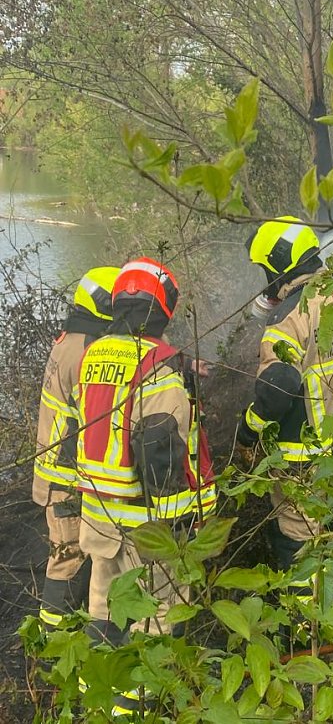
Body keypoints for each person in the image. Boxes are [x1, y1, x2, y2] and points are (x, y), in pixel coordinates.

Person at [76, 257, 217, 653]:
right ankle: (146, 691)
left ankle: (97, 686)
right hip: (147, 523)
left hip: (100, 511)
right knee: (158, 616)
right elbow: (158, 450)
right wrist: (175, 527)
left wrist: (179, 363)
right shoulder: (159, 369)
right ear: (164, 308)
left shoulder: (95, 353)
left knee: (105, 608)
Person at [238, 216, 333, 575]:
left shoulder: (289, 318)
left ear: (278, 266)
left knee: (299, 541)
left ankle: (302, 609)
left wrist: (248, 429)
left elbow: (278, 387)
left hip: (304, 459)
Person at [33, 265, 121, 630]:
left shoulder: (73, 338)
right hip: (66, 478)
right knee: (68, 559)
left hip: (59, 473)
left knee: (72, 554)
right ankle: (54, 642)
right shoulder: (88, 350)